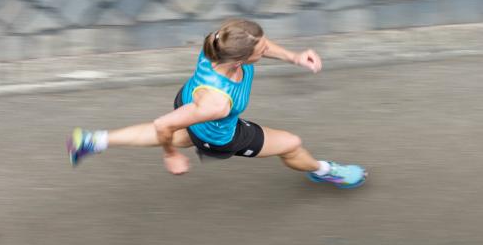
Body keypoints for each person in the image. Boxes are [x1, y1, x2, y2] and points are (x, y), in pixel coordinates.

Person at [67, 18, 367, 189]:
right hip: (219, 132)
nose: (266, 50)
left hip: (187, 100)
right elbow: (164, 124)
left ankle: (92, 141)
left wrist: (294, 57)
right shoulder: (217, 103)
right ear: (240, 60)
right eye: (261, 51)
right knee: (291, 143)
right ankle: (324, 170)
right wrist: (169, 155)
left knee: (184, 132)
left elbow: (256, 42)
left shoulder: (218, 42)